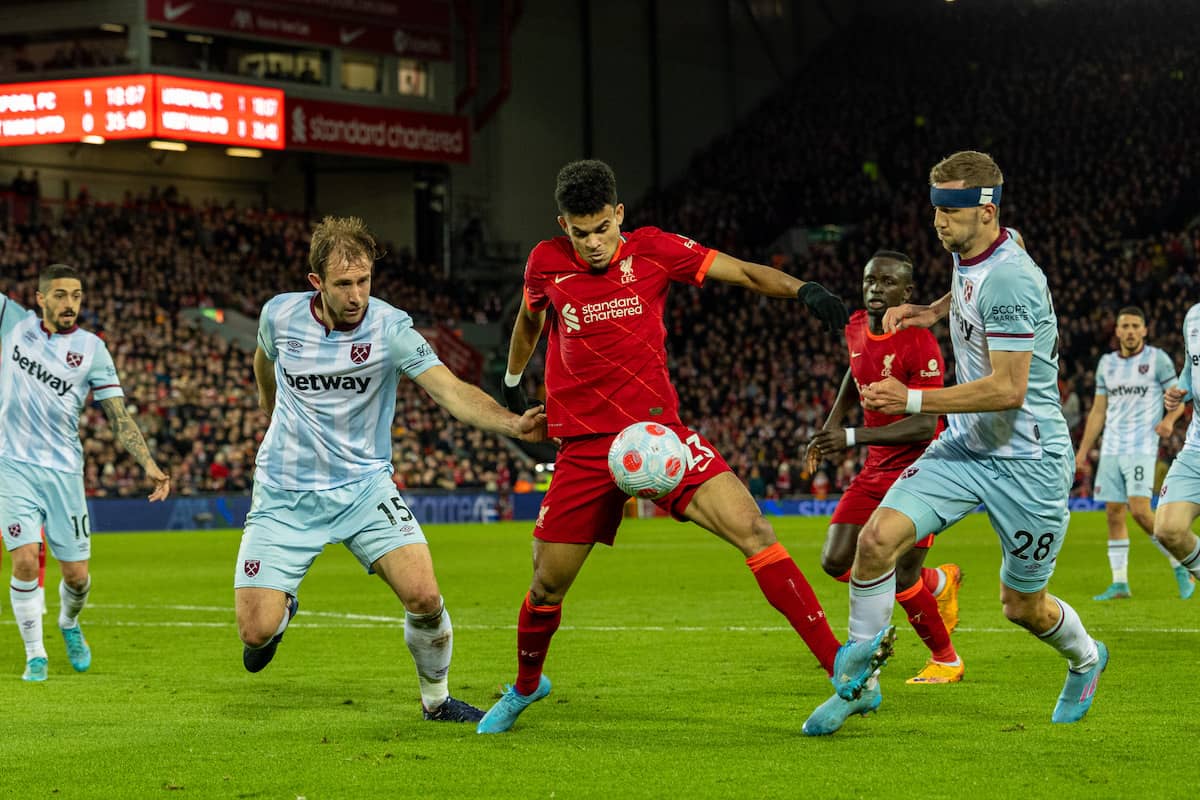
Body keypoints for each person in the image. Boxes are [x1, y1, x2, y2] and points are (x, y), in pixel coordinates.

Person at [477, 158, 860, 735]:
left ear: (619, 215)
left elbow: (745, 274)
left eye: (603, 228)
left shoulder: (654, 249)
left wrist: (802, 288)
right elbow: (530, 320)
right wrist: (511, 378)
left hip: (661, 437)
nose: (594, 244)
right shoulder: (545, 263)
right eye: (580, 233)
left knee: (755, 531)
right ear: (564, 225)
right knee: (546, 583)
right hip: (583, 445)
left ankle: (840, 670)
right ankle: (527, 686)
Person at [804, 151, 1107, 735]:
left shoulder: (1013, 278)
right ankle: (860, 685)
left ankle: (1086, 658)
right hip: (965, 448)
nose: (937, 220)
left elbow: (1009, 388)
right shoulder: (973, 249)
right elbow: (967, 294)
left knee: (1022, 606)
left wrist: (912, 400)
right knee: (874, 544)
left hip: (1028, 462)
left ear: (986, 209)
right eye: (934, 206)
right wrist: (930, 310)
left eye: (950, 209)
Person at [236, 216, 546, 723]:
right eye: (343, 284)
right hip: (283, 492)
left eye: (363, 281)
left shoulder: (391, 329)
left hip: (363, 488)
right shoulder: (279, 316)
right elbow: (263, 360)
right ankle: (283, 609)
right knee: (255, 634)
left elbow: (450, 389)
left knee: (424, 595)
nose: (357, 294)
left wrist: (512, 424)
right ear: (316, 283)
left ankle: (437, 701)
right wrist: (268, 408)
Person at [0, 264, 171, 682]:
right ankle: (35, 654)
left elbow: (117, 415)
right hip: (11, 466)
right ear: (40, 298)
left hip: (63, 474)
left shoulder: (92, 348)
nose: (70, 303)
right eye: (60, 294)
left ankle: (69, 623)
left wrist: (148, 463)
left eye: (76, 295)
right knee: (25, 560)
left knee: (76, 577)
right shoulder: (13, 322)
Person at [805, 250, 963, 687]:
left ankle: (946, 659)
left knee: (901, 575)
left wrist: (853, 436)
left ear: (907, 292)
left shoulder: (919, 343)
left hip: (922, 470)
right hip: (876, 467)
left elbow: (925, 424)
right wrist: (832, 424)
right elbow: (852, 370)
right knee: (836, 560)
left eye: (889, 283)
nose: (877, 289)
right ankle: (939, 583)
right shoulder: (855, 326)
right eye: (871, 280)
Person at [1073, 306, 1190, 600]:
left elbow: (1179, 398)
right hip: (1111, 446)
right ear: (1117, 331)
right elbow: (1098, 410)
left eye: (1136, 325)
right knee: (1113, 513)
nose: (1130, 331)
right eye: (1125, 325)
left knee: (1139, 510)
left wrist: (1168, 421)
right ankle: (1121, 582)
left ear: (1145, 330)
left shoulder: (1157, 360)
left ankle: (1179, 563)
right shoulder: (1106, 363)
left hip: (1141, 445)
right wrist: (1083, 452)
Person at [1153, 302, 1200, 590]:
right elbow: (1189, 369)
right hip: (1196, 447)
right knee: (1168, 529)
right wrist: (1178, 394)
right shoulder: (1193, 316)